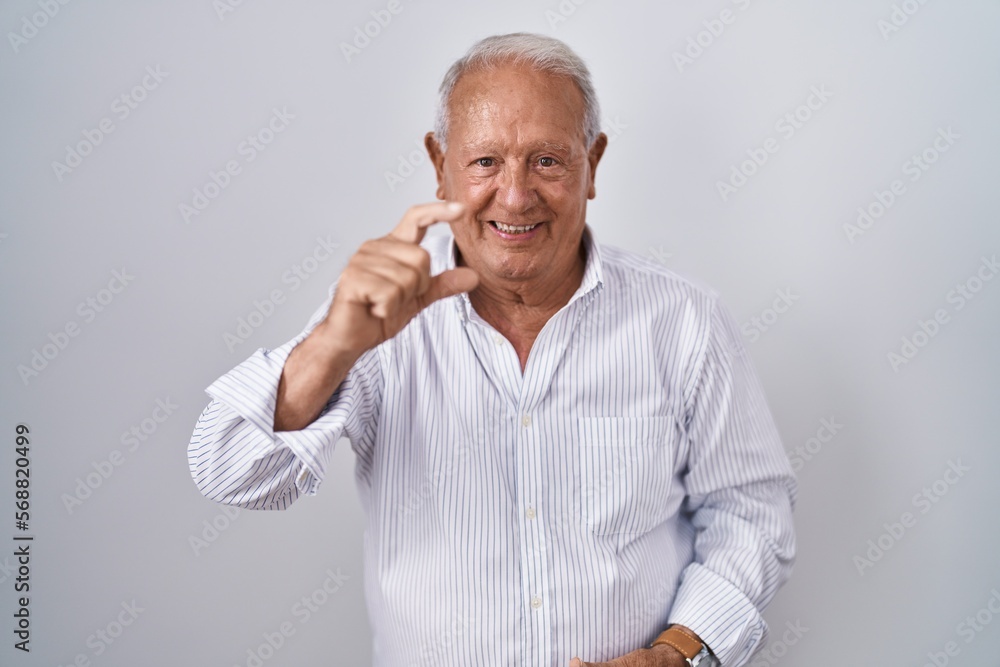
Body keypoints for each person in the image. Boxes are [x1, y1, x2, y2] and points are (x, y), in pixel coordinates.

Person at [188, 32, 796, 667]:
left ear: (592, 164)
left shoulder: (685, 320)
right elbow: (228, 471)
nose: (514, 195)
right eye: (485, 161)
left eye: (547, 161)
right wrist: (335, 345)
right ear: (439, 164)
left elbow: (751, 512)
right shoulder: (376, 318)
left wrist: (678, 652)